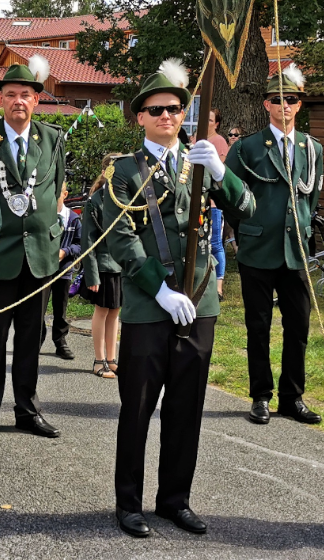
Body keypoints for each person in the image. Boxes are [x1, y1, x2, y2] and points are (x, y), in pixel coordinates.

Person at [102, 59, 256, 538]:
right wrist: (161, 290)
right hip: (153, 304)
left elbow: (247, 209)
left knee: (186, 407)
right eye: (156, 110)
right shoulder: (124, 172)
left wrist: (221, 173)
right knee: (138, 407)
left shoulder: (201, 161)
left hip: (201, 301)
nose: (167, 116)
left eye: (174, 108)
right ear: (139, 117)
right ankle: (128, 504)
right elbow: (122, 241)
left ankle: (174, 500)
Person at [0, 55, 66, 443]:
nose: (18, 101)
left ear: (36, 100)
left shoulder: (53, 138)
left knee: (31, 337)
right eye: (11, 95)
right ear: (0, 101)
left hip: (40, 254)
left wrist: (57, 230)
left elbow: (58, 187)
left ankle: (27, 409)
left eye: (26, 95)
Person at [227, 64, 324, 426]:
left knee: (298, 327)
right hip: (258, 250)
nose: (284, 106)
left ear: (299, 105)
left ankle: (292, 397)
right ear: (266, 105)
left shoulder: (312, 148)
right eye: (276, 100)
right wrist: (246, 230)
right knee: (259, 326)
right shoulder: (248, 148)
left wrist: (298, 228)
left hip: (295, 251)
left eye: (291, 99)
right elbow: (229, 197)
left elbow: (310, 199)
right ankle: (260, 396)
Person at [81, 154, 123, 379]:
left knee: (115, 312)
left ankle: (111, 358)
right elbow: (88, 241)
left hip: (121, 265)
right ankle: (99, 360)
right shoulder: (95, 201)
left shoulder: (126, 197)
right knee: (102, 311)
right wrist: (92, 274)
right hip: (104, 264)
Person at [43, 181, 81, 359]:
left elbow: (80, 245)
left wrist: (66, 251)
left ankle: (60, 342)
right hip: (43, 271)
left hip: (63, 271)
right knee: (38, 308)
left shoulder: (73, 218)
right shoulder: (44, 216)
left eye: (57, 192)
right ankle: (37, 339)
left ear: (65, 195)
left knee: (61, 308)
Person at [205, 109, 231, 299]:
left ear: (216, 123)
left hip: (213, 202)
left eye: (210, 119)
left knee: (215, 243)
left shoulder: (219, 141)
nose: (206, 122)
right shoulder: (195, 140)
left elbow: (220, 171)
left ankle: (219, 287)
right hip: (196, 201)